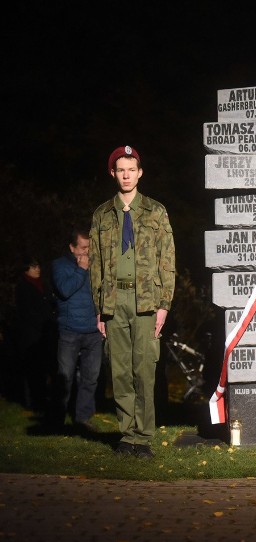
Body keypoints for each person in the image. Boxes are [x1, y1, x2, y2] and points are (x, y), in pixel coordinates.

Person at [90, 146, 175, 459]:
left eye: (131, 169)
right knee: (120, 372)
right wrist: (99, 308)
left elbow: (168, 259)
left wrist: (164, 303)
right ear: (113, 173)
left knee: (144, 371)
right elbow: (96, 263)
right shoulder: (102, 214)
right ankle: (127, 436)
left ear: (140, 173)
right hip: (115, 301)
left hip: (146, 301)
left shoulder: (155, 211)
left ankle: (143, 439)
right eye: (120, 170)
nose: (126, 175)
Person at [52, 228, 103, 429]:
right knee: (65, 377)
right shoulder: (59, 265)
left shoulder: (95, 265)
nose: (87, 251)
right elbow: (64, 290)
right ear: (72, 247)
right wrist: (81, 269)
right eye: (83, 247)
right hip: (70, 330)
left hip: (93, 331)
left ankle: (83, 418)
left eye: (89, 247)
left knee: (91, 378)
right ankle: (56, 419)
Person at [11, 256, 57, 412]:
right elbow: (26, 312)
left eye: (38, 266)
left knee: (46, 368)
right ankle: (34, 402)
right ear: (26, 269)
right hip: (32, 335)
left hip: (46, 334)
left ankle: (45, 399)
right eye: (33, 267)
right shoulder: (23, 287)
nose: (37, 269)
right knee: (34, 370)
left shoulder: (44, 285)